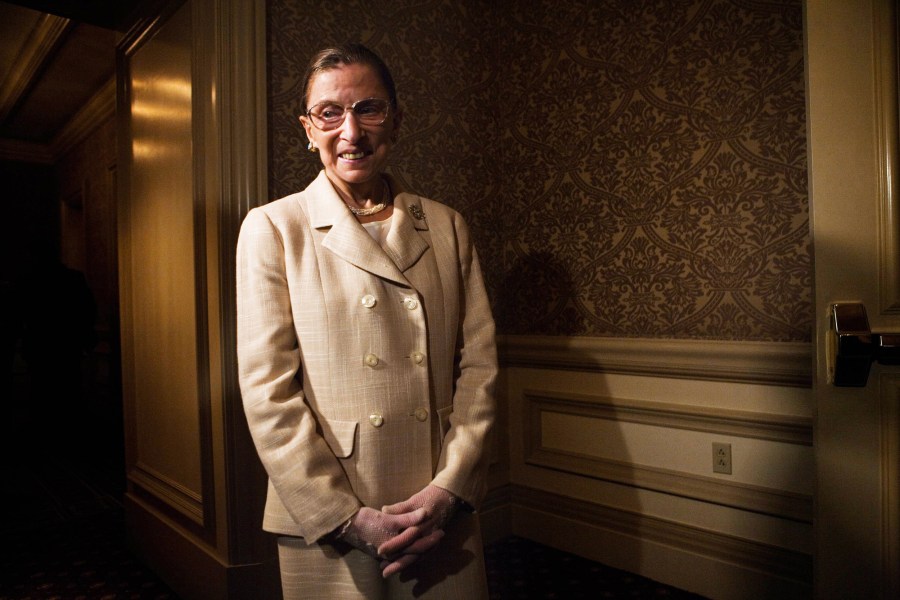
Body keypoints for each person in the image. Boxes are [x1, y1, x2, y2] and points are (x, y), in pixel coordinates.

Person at [236, 43, 497, 599]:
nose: (350, 131)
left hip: (436, 505)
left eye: (368, 109)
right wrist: (346, 518)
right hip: (331, 515)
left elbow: (480, 370)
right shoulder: (274, 228)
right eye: (330, 112)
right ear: (308, 128)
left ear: (395, 121)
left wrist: (449, 491)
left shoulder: (447, 227)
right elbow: (268, 396)